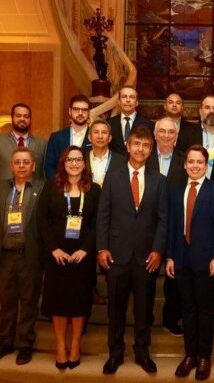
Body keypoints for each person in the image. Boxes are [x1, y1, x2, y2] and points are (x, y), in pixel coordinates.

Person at [96, 126, 168, 375]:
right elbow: (103, 215)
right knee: (115, 309)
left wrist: (158, 250)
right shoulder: (112, 177)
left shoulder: (159, 181)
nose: (140, 149)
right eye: (136, 143)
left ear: (151, 149)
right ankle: (115, 354)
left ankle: (142, 352)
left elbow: (163, 219)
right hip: (116, 255)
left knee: (144, 310)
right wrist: (102, 248)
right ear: (128, 146)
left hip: (146, 257)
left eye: (146, 145)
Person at [166, 145, 214, 380]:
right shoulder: (176, 191)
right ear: (185, 165)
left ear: (206, 165)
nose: (195, 166)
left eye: (200, 162)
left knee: (205, 309)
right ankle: (190, 355)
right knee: (187, 308)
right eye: (191, 162)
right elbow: (172, 227)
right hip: (181, 260)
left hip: (207, 261)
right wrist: (170, 256)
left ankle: (204, 357)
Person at [37, 146, 100, 369]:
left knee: (79, 302)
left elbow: (98, 223)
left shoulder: (94, 189)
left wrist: (86, 249)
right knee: (59, 302)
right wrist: (53, 249)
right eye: (70, 160)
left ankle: (75, 345)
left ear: (84, 164)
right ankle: (60, 346)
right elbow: (41, 219)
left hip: (82, 256)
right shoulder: (51, 187)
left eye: (78, 159)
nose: (74, 163)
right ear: (63, 163)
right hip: (57, 256)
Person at [0, 148, 45, 365]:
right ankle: (5, 342)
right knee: (7, 302)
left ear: (33, 166)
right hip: (5, 256)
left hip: (30, 255)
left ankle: (25, 344)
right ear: (11, 166)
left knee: (29, 302)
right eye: (17, 162)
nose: (21, 165)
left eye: (26, 162)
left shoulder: (43, 188)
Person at [147, 117, 188, 336]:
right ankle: (145, 318)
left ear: (177, 136)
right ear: (154, 135)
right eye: (161, 131)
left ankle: (171, 319)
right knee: (147, 277)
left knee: (174, 278)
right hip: (147, 226)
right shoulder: (144, 157)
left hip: (176, 225)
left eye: (170, 132)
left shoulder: (185, 160)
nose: (166, 135)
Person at [87, 119, 126, 305]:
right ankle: (90, 288)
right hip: (86, 212)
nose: (100, 136)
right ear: (89, 137)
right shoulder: (80, 158)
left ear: (110, 137)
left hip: (112, 214)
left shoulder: (121, 160)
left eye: (104, 133)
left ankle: (113, 289)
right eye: (96, 132)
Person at [0, 103, 47, 188]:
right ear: (12, 118)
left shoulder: (42, 144)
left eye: (26, 116)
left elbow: (44, 175)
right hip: (4, 193)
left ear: (30, 120)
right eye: (18, 116)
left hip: (33, 194)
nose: (22, 119)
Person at [44, 94, 93, 180]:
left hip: (88, 185)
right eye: (76, 109)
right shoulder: (56, 137)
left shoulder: (95, 137)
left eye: (84, 110)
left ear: (89, 113)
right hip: (61, 186)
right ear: (70, 111)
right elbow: (49, 166)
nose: (80, 113)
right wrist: (60, 185)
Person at [108, 86, 154, 154]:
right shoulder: (109, 123)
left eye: (132, 97)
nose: (128, 100)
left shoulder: (148, 124)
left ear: (137, 102)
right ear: (119, 102)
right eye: (124, 97)